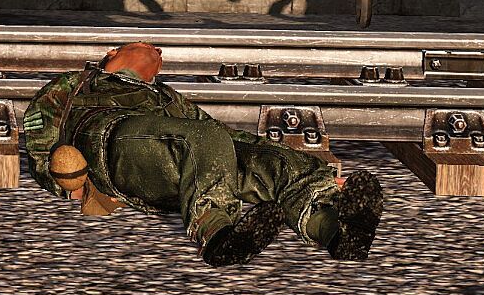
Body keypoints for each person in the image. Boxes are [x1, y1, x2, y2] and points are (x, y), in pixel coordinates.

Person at [21, 42, 384, 266]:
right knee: (202, 137)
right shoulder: (76, 84)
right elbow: (39, 137)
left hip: (182, 163)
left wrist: (305, 167)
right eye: (146, 45)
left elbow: (224, 136)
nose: (157, 51)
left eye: (159, 55)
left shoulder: (166, 98)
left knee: (263, 160)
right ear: (112, 53)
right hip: (110, 142)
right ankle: (216, 234)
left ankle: (335, 233)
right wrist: (69, 184)